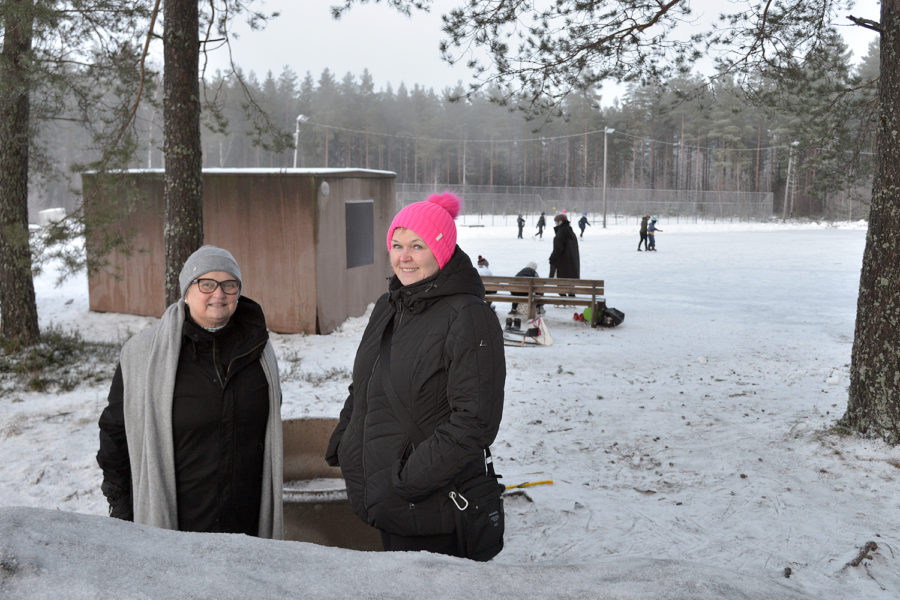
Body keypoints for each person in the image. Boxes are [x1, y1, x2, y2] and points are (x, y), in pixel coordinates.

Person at [326, 192, 505, 558]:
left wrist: (407, 480)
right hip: (387, 498)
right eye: (396, 245)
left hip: (431, 505)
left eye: (417, 246)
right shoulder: (388, 306)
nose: (403, 257)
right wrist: (345, 440)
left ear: (442, 249)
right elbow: (364, 383)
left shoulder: (468, 315)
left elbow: (475, 421)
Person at [96, 245, 284, 538]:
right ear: (186, 291)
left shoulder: (257, 351)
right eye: (206, 284)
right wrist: (121, 507)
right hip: (176, 524)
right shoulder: (144, 355)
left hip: (245, 527)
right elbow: (115, 433)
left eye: (229, 285)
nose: (219, 294)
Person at [549, 213, 580, 294]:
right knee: (570, 282)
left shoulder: (561, 233)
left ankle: (563, 300)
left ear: (560, 222)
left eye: (556, 222)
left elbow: (558, 249)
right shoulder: (571, 232)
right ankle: (571, 300)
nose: (555, 224)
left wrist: (552, 259)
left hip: (562, 264)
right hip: (572, 264)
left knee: (560, 282)